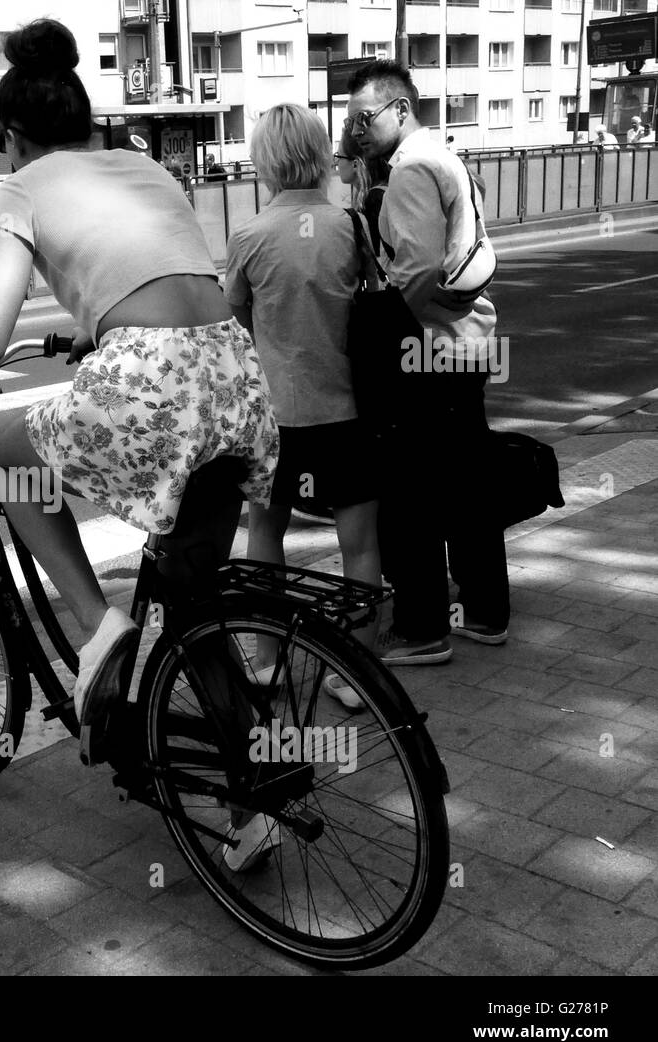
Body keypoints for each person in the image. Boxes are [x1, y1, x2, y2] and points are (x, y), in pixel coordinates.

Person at [0, 19, 279, 780]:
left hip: (155, 381)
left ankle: (98, 628)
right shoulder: (147, 168)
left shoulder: (19, 192)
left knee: (2, 450)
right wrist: (100, 332)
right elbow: (159, 279)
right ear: (86, 122)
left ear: (10, 136)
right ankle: (249, 793)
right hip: (236, 378)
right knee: (193, 604)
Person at [346, 59, 509, 665]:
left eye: (365, 119)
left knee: (411, 490)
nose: (358, 132)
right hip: (465, 344)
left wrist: (386, 333)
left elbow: (415, 270)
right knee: (467, 482)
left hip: (428, 352)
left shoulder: (411, 169)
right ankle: (486, 611)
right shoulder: (442, 155)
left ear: (400, 110)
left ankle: (421, 629)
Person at [225, 103, 381, 707]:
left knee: (266, 532)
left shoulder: (250, 236)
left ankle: (269, 663)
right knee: (361, 544)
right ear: (319, 156)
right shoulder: (351, 226)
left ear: (265, 162)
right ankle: (356, 673)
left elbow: (236, 317)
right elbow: (371, 300)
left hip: (278, 417)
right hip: (349, 411)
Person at [336, 124, 390, 255]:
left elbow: (378, 257)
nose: (335, 163)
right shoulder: (381, 192)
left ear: (355, 163)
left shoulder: (374, 200)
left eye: (338, 156)